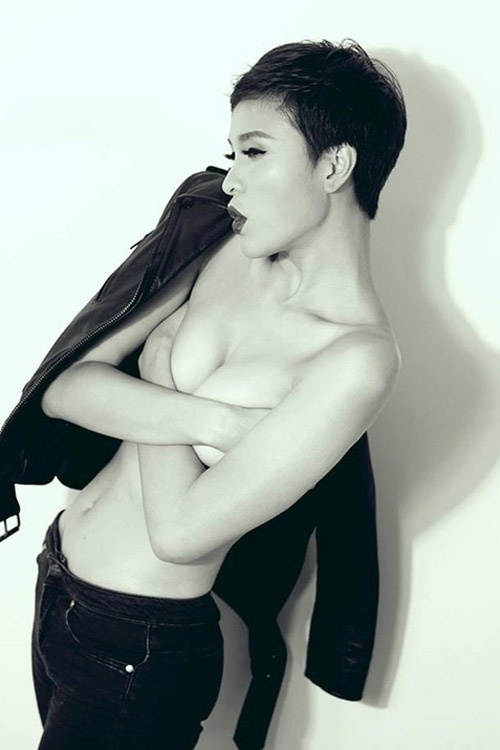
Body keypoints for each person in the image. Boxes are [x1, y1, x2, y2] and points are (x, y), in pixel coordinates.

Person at [0, 39, 406, 750]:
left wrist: (158, 367)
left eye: (255, 152)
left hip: (137, 648)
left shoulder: (354, 359)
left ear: (334, 165)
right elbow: (66, 390)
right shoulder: (225, 244)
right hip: (57, 578)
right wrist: (213, 420)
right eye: (231, 152)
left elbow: (181, 533)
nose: (230, 181)